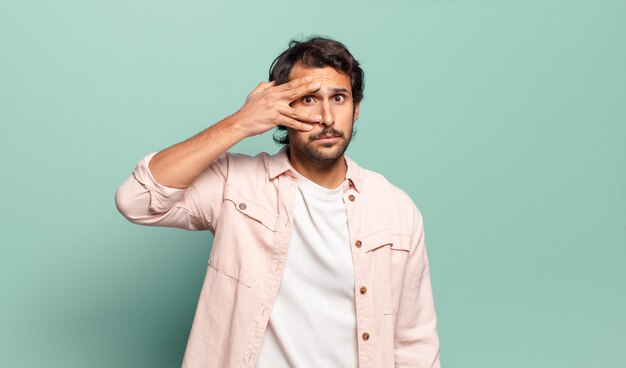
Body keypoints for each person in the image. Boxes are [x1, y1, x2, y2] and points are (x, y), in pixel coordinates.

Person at [115, 36, 440, 368]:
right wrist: (240, 123)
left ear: (356, 109)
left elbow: (414, 341)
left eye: (339, 98)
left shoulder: (395, 209)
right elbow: (136, 199)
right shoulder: (237, 184)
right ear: (282, 110)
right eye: (308, 99)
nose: (327, 117)